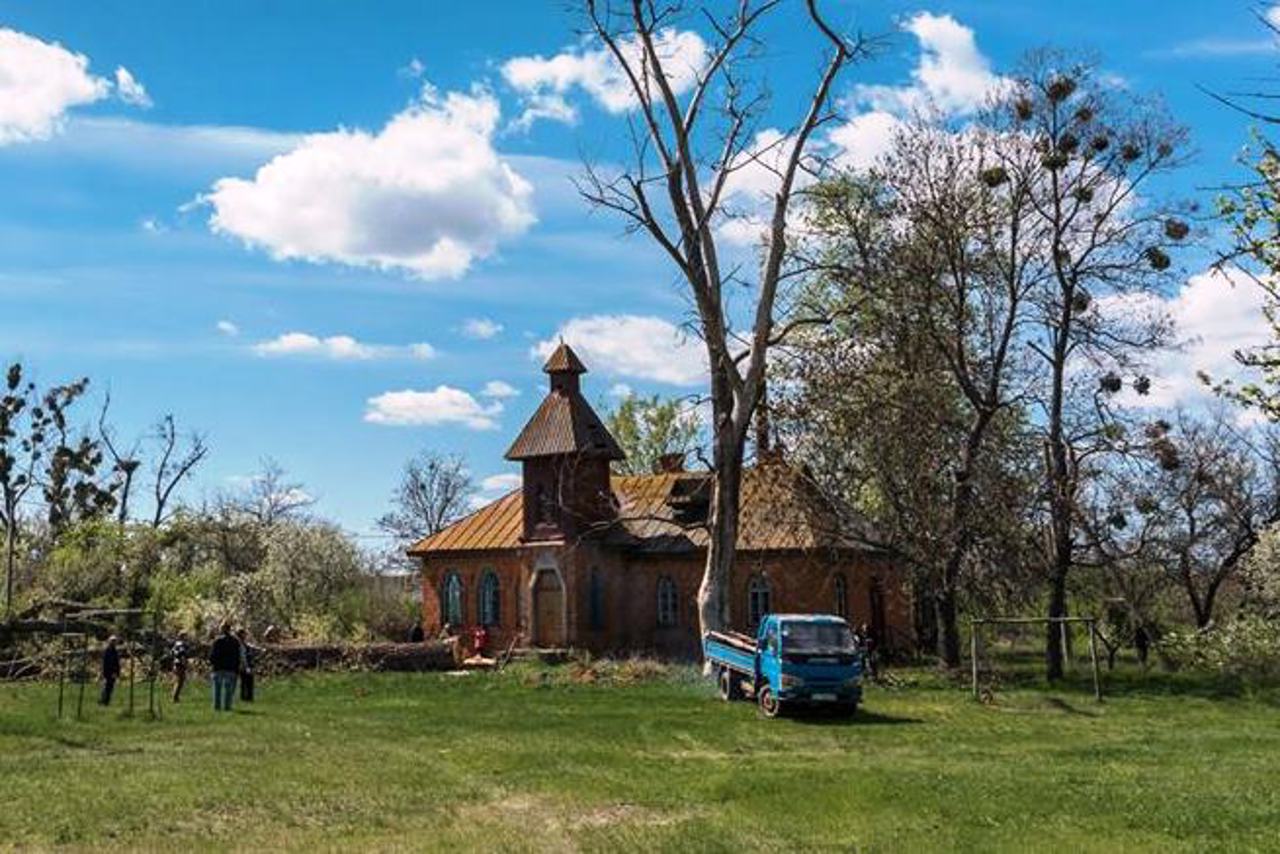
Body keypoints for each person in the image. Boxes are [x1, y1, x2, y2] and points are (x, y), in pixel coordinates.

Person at [209, 621, 242, 712]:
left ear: (222, 629)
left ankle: (217, 706)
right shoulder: (235, 641)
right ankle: (227, 706)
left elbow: (212, 655)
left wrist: (212, 663)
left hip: (218, 667)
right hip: (230, 668)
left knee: (217, 688)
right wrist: (237, 667)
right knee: (228, 689)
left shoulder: (217, 641)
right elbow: (237, 655)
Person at [99, 636, 121, 706]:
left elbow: (117, 663)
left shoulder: (115, 651)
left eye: (114, 641)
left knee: (110, 688)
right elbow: (105, 663)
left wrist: (117, 672)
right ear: (109, 642)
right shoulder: (107, 651)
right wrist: (104, 672)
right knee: (106, 687)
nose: (114, 642)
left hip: (113, 672)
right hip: (107, 672)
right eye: (112, 641)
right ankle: (103, 701)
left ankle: (106, 701)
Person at [236, 628, 256, 703]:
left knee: (249, 681)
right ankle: (245, 697)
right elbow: (242, 656)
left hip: (247, 665)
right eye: (244, 634)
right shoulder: (238, 644)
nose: (245, 636)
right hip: (243, 665)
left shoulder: (245, 644)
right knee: (245, 681)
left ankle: (248, 697)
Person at [170, 635, 190, 703]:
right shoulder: (182, 645)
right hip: (180, 664)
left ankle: (174, 695)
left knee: (177, 680)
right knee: (180, 681)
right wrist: (185, 663)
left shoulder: (176, 644)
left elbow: (172, 652)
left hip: (175, 663)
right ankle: (175, 697)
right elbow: (182, 654)